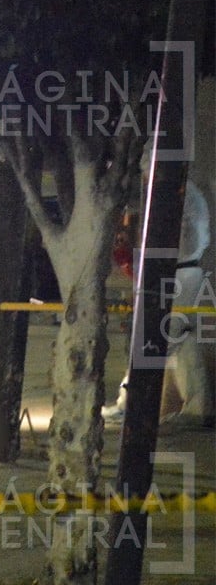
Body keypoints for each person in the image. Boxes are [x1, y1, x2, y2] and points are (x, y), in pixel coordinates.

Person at [103, 174, 212, 425]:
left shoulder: (177, 193)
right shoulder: (190, 195)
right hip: (186, 271)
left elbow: (174, 233)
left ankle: (129, 402)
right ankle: (199, 406)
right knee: (183, 341)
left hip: (179, 273)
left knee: (158, 337)